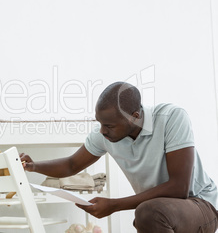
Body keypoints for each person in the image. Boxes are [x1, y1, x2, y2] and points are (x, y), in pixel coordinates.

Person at [21, 82, 218, 232]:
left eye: (109, 126)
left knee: (148, 212)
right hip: (159, 209)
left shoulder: (171, 118)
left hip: (199, 203)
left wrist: (114, 205)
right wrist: (33, 166)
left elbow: (179, 188)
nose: (103, 131)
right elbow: (71, 164)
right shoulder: (105, 134)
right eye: (100, 123)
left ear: (134, 116)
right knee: (148, 212)